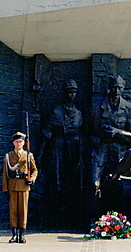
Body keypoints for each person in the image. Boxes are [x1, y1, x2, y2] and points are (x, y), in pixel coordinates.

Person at [39, 79, 84, 228]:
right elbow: (46, 134)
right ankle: (52, 218)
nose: (72, 94)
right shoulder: (56, 112)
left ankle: (70, 218)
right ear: (64, 93)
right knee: (55, 181)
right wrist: (39, 155)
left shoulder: (78, 114)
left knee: (71, 183)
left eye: (74, 92)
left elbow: (81, 136)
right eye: (69, 91)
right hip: (56, 149)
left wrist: (81, 156)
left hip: (73, 151)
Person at [90, 75, 131, 191]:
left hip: (119, 153)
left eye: (119, 88)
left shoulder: (128, 108)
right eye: (114, 87)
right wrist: (93, 139)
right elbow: (85, 132)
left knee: (120, 187)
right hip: (100, 150)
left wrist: (117, 132)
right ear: (109, 88)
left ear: (123, 89)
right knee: (93, 185)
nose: (116, 91)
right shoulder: (95, 107)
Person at [2, 132, 38, 244]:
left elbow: (34, 170)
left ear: (23, 143)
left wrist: (32, 178)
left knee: (23, 211)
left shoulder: (28, 155)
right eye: (17, 142)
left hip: (24, 186)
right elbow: (5, 174)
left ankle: (22, 234)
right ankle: (14, 235)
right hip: (12, 187)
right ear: (13, 143)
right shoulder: (9, 156)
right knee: (13, 212)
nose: (18, 144)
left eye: (20, 142)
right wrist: (5, 189)